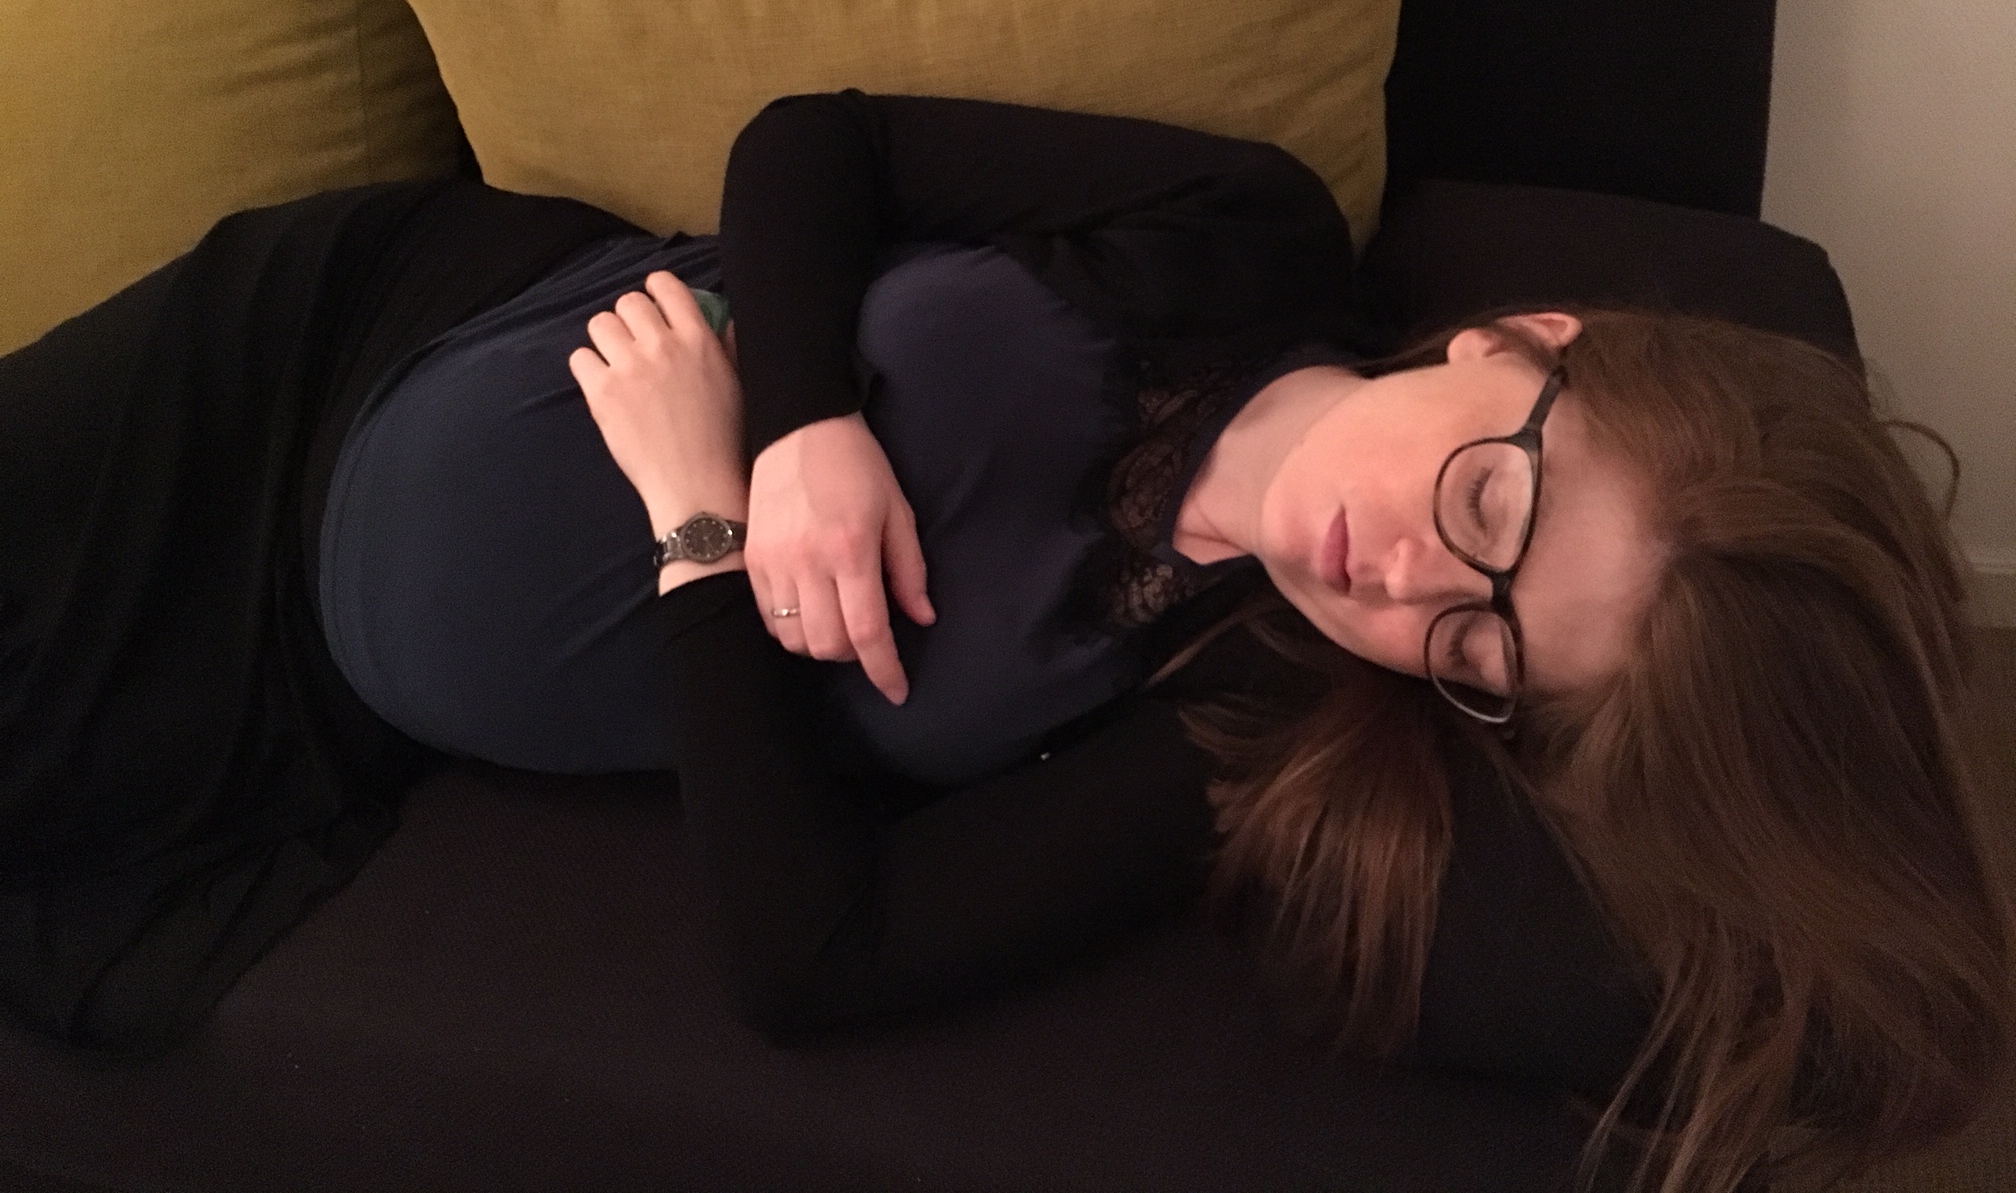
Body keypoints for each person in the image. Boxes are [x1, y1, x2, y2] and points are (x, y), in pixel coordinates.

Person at [0, 92, 2007, 1193]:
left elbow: (814, 957)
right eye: (1487, 506)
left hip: (297, 711)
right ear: (1527, 338)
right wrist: (802, 422)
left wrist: (705, 520)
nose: (1404, 583)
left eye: (1481, 648)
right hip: (322, 348)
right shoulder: (1244, 228)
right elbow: (817, 143)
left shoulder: (1233, 721)